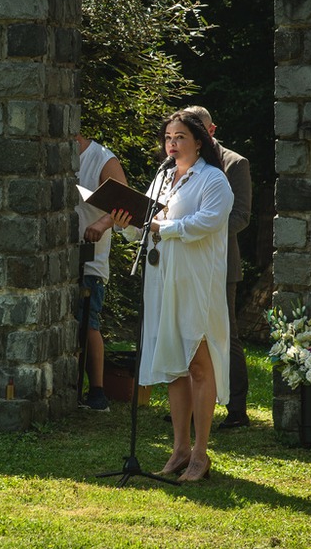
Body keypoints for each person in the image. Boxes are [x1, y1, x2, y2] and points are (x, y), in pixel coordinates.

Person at [110, 109, 233, 482]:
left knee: (197, 362)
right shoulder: (162, 179)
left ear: (199, 141)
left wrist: (166, 228)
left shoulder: (213, 180)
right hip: (162, 278)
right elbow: (144, 225)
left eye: (180, 137)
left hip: (196, 282)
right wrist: (124, 224)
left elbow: (207, 221)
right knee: (174, 367)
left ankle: (200, 453)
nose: (172, 144)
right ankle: (179, 448)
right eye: (168, 138)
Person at [185, 106, 252, 429]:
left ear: (211, 131)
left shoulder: (234, 164)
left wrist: (200, 230)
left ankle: (237, 408)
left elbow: (241, 216)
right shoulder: (178, 165)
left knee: (225, 334)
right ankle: (192, 406)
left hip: (219, 262)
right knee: (187, 332)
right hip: (184, 262)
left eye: (198, 130)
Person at [74, 134, 129, 412]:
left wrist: (101, 223)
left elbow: (125, 205)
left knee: (88, 323)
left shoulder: (102, 159)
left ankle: (97, 393)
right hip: (61, 257)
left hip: (90, 259)